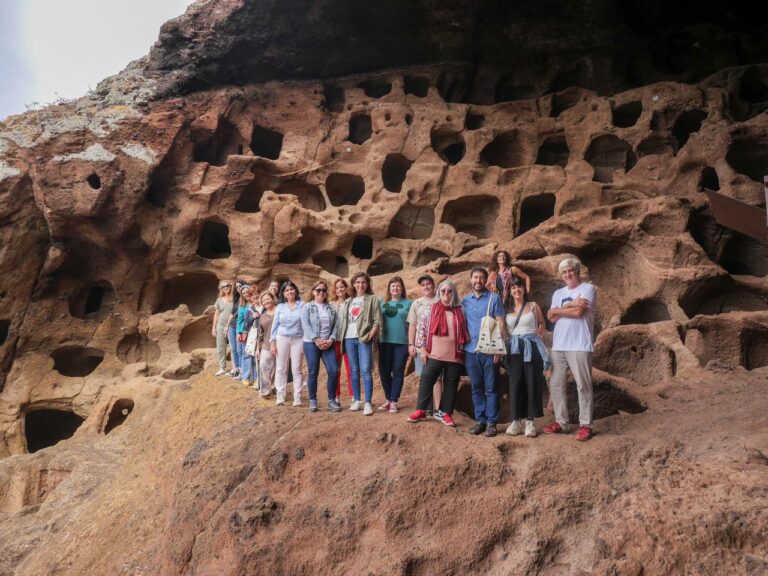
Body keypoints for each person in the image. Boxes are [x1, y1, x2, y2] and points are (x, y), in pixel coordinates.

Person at [544, 257, 597, 442]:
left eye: (570, 271)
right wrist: (570, 304)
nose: (567, 274)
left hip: (579, 344)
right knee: (556, 384)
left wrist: (560, 310)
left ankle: (585, 425)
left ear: (577, 271)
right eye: (564, 272)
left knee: (583, 385)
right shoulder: (558, 293)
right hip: (559, 346)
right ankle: (562, 422)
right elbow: (550, 317)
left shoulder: (587, 289)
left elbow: (578, 313)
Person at [407, 280, 469, 427]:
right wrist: (422, 349)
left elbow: (466, 330)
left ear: (454, 293)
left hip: (454, 355)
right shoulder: (431, 309)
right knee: (426, 380)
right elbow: (422, 329)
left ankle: (446, 413)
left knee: (451, 384)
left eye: (449, 291)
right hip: (434, 353)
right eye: (443, 291)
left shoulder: (461, 310)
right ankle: (421, 410)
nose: (446, 294)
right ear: (439, 292)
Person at [462, 267, 507, 437]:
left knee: (492, 387)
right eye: (475, 277)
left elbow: (501, 323)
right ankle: (480, 420)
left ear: (486, 280)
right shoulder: (465, 301)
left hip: (489, 351)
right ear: (470, 279)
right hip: (470, 350)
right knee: (476, 387)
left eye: (481, 278)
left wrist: (499, 349)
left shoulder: (494, 298)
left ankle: (491, 422)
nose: (478, 280)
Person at [504, 277, 550, 438]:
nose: (516, 290)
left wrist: (539, 337)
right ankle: (516, 421)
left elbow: (542, 323)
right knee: (515, 383)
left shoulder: (533, 306)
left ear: (524, 289)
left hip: (531, 346)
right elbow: (504, 331)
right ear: (510, 292)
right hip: (515, 349)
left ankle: (530, 422)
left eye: (519, 287)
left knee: (532, 382)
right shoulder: (507, 310)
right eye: (513, 288)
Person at [338, 272, 382, 416]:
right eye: (357, 282)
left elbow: (377, 320)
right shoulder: (349, 301)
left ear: (367, 284)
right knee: (354, 371)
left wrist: (370, 335)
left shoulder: (372, 299)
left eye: (363, 282)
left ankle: (368, 402)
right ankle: (357, 400)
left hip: (364, 338)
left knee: (365, 370)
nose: (360, 285)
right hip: (349, 338)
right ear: (354, 284)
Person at [301, 280, 341, 413]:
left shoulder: (331, 308)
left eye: (324, 290)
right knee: (313, 371)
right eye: (318, 290)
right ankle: (313, 400)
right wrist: (316, 339)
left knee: (334, 371)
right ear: (313, 292)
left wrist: (331, 339)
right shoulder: (307, 307)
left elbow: (336, 325)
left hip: (328, 343)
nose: (321, 293)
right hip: (311, 343)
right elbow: (305, 324)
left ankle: (331, 400)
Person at [407, 275, 443, 418]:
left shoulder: (440, 301)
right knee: (424, 377)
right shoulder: (417, 303)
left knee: (438, 378)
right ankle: (426, 408)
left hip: (437, 345)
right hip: (421, 345)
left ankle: (438, 409)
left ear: (433, 285)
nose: (426, 287)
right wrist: (411, 344)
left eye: (429, 284)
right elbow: (412, 325)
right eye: (423, 285)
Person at [378, 276, 412, 413]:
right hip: (384, 341)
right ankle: (388, 397)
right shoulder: (382, 303)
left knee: (398, 369)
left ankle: (393, 400)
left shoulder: (409, 303)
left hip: (402, 342)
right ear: (389, 289)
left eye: (398, 286)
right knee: (384, 370)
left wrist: (412, 342)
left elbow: (412, 324)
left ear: (402, 288)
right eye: (393, 286)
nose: (395, 288)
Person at [270, 281, 305, 406]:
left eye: (291, 289)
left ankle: (297, 396)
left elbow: (306, 324)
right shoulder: (280, 307)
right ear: (284, 294)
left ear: (295, 291)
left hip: (298, 339)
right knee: (281, 368)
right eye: (287, 290)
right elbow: (275, 326)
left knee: (297, 368)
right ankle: (280, 395)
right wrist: (273, 343)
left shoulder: (303, 305)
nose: (290, 292)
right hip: (282, 338)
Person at [330, 278, 353, 403]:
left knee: (351, 369)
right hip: (335, 341)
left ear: (346, 288)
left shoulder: (351, 302)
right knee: (335, 369)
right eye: (337, 287)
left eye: (342, 287)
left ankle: (353, 396)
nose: (340, 289)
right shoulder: (331, 304)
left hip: (348, 339)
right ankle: (336, 396)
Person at [257, 292, 277, 397]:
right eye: (264, 300)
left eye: (268, 298)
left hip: (281, 344)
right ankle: (265, 391)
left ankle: (274, 387)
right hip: (266, 345)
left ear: (273, 298)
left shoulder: (280, 311)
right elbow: (260, 334)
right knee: (264, 366)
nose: (266, 301)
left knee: (277, 368)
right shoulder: (263, 316)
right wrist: (258, 349)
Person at [241, 287, 262, 387]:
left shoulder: (264, 307)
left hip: (263, 336)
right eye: (253, 295)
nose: (255, 296)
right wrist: (252, 318)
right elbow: (245, 326)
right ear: (250, 297)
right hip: (253, 336)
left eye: (257, 293)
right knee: (251, 356)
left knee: (259, 358)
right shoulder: (250, 310)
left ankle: (257, 379)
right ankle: (252, 378)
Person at [212, 280, 234, 376]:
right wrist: (214, 327)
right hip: (220, 325)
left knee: (233, 347)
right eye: (223, 286)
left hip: (232, 325)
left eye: (227, 286)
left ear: (230, 286)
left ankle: (235, 367)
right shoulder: (219, 299)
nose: (225, 288)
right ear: (221, 288)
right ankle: (222, 367)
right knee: (221, 347)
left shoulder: (234, 298)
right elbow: (216, 314)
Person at [236, 285, 254, 383]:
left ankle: (255, 378)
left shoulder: (256, 301)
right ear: (241, 295)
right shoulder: (242, 305)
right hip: (246, 332)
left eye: (247, 291)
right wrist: (239, 332)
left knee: (255, 355)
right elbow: (239, 320)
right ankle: (245, 377)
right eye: (244, 293)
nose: (246, 294)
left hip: (255, 331)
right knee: (246, 354)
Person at [227, 280, 245, 377]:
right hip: (232, 326)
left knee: (240, 349)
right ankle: (237, 368)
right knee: (233, 348)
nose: (238, 288)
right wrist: (227, 325)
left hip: (240, 328)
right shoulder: (237, 298)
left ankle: (242, 370)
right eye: (237, 287)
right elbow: (232, 313)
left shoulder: (246, 298)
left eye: (240, 286)